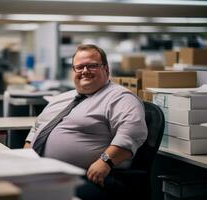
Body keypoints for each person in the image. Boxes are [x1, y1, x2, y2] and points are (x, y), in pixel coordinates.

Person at [24, 44, 148, 199]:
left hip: (85, 177)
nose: (85, 71)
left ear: (106, 69)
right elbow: (37, 127)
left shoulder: (120, 97)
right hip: (41, 172)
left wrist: (105, 161)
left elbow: (131, 133)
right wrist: (26, 156)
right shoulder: (61, 98)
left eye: (92, 66)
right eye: (79, 67)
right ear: (73, 71)